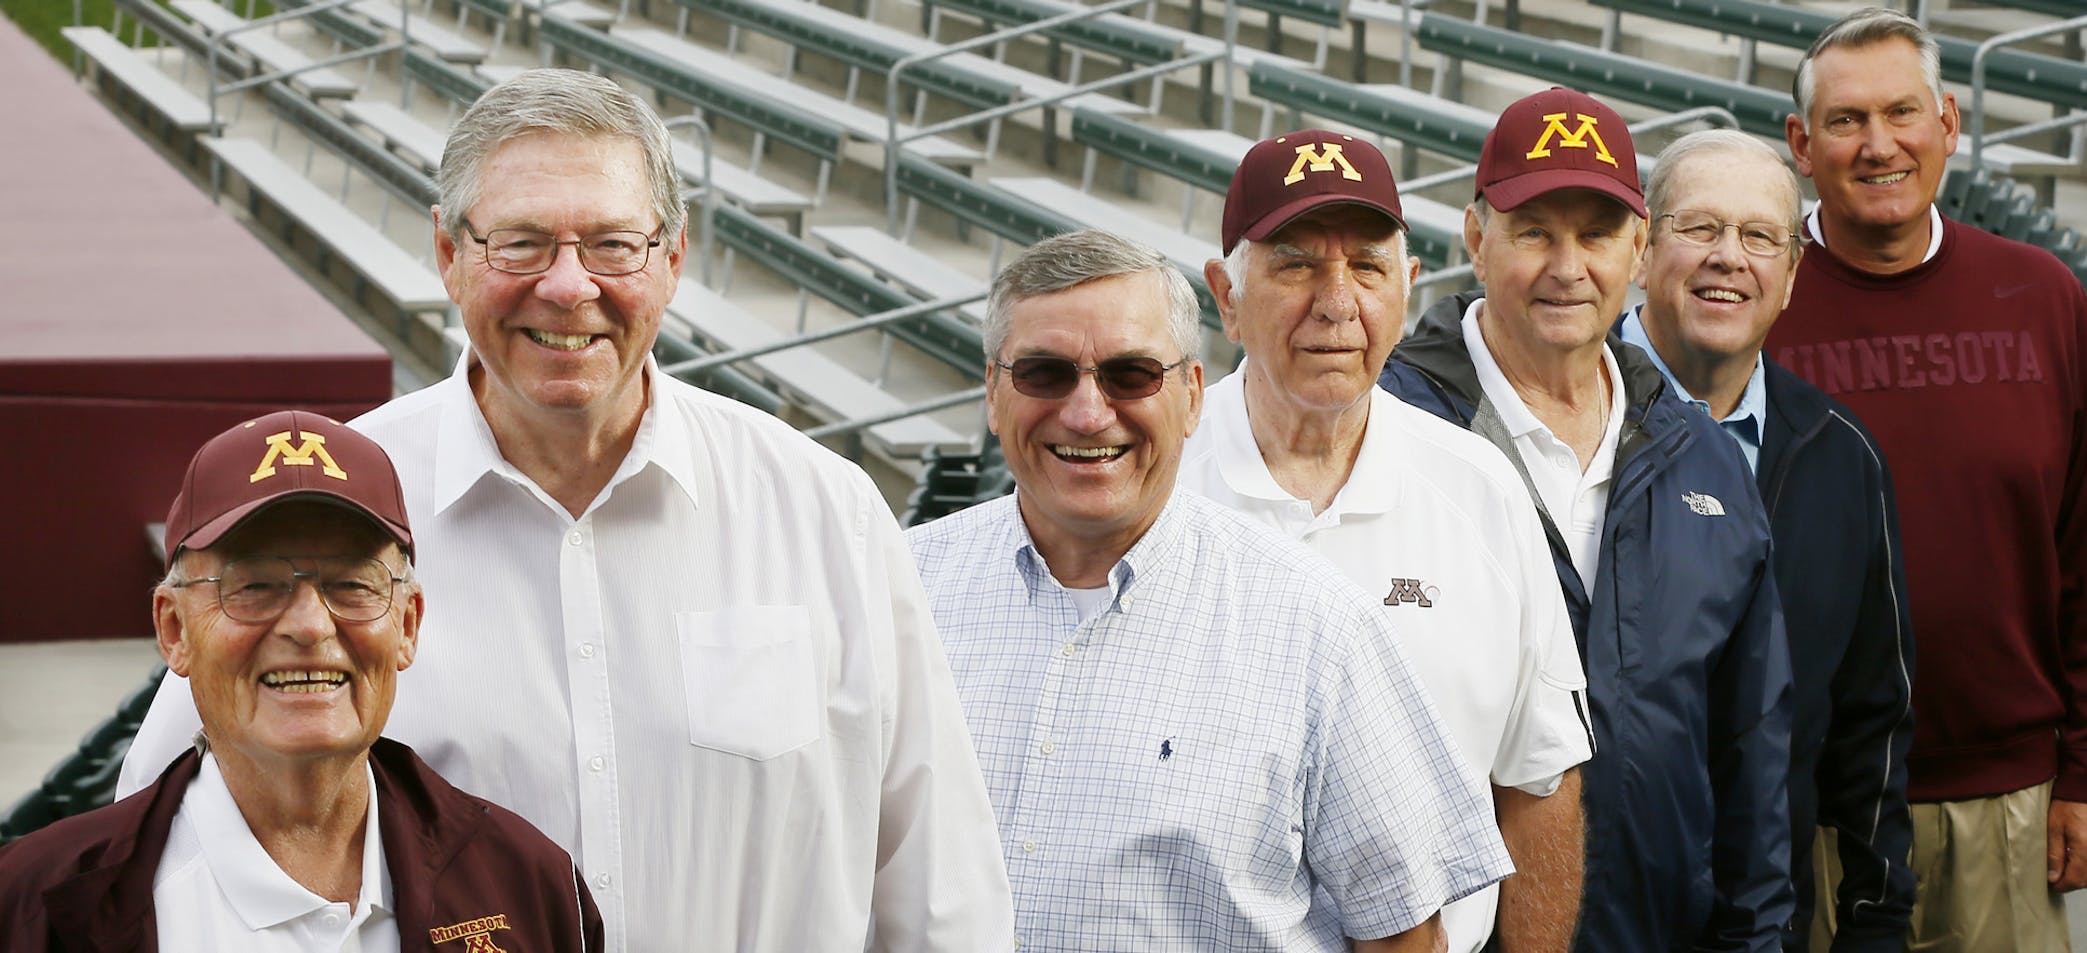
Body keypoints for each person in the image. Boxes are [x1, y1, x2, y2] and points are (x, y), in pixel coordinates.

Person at [116, 69, 1013, 951]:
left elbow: (940, 887)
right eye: (523, 243)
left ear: (672, 258)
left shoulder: (826, 512)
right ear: (448, 254)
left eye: (613, 244)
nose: (568, 285)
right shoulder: (326, 506)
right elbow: (157, 849)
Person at [908, 228, 1513, 951]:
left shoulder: (1319, 630)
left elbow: (1403, 935)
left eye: (1131, 375)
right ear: (994, 394)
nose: (1087, 412)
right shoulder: (897, 590)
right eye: (1044, 373)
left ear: (1192, 395)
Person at [1377, 87, 1796, 952]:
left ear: (1640, 250)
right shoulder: (1384, 440)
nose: (1568, 267)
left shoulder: (1702, 455)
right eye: (1535, 231)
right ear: (1475, 238)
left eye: (1597, 234)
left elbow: (1751, 755)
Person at [1772, 9, 2087, 950]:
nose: (1879, 144)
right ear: (1801, 146)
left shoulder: (2042, 296)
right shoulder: (1751, 304)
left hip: (2008, 799)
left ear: (1951, 124)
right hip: (1806, 802)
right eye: (1846, 121)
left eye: (1903, 113)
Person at [1183, 129, 1593, 953]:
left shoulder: (1479, 489)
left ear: (1405, 289)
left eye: (1367, 267)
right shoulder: (1162, 485)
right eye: (1296, 263)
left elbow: (1539, 778)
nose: (1337, 302)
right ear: (1227, 296)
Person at [1, 410, 601, 951]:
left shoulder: (531, 888)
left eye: (353, 585)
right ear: (174, 629)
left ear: (408, 625)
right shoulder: (32, 908)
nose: (312, 626)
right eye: (255, 585)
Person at [1618, 128, 1917, 952]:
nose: (1729, 258)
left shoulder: (1840, 456)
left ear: (1789, 276)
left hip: (1768, 926)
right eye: (1700, 228)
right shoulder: (1552, 426)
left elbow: (1872, 723)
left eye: (1758, 237)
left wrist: (1873, 921)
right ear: (1642, 248)